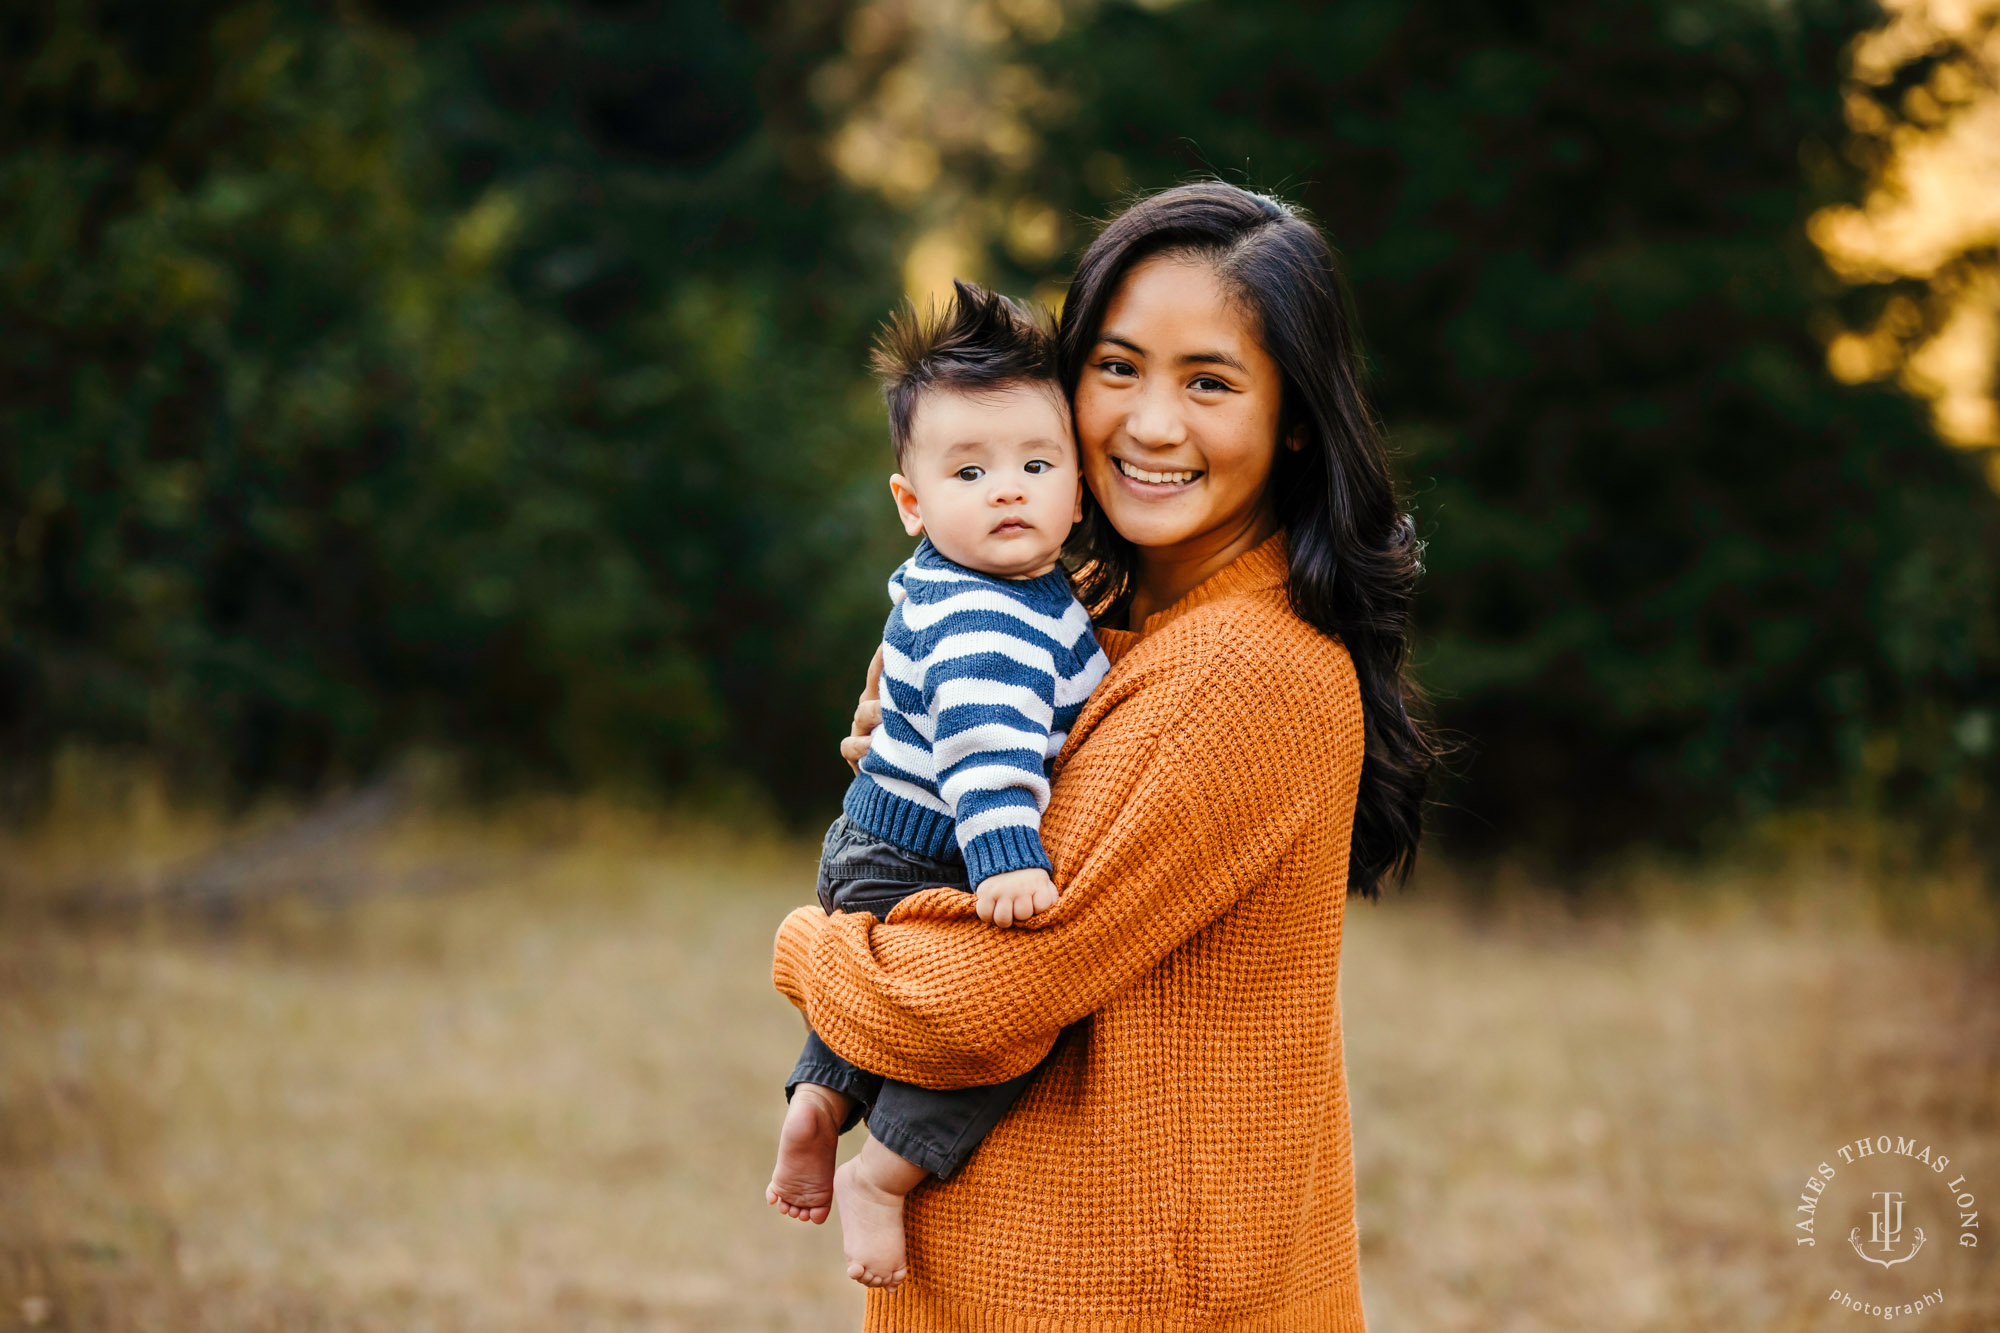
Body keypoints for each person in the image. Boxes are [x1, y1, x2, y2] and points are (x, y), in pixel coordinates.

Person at [774, 180, 1438, 1331]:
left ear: (1291, 417)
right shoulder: (1084, 615)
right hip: (1040, 1271)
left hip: (1128, 1289)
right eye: (1117, 366)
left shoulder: (1241, 669)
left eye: (1210, 382)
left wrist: (812, 946)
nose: (1150, 424)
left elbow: (968, 1001)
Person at [764, 279, 1112, 1289]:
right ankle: (884, 1174)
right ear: (911, 502)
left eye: (1035, 464)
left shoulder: (978, 581)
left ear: (1076, 487)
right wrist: (1006, 856)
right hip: (929, 849)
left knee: (895, 1006)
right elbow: (986, 743)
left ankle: (819, 1100)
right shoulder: (990, 616)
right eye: (970, 470)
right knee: (997, 1033)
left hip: (874, 839)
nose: (1007, 488)